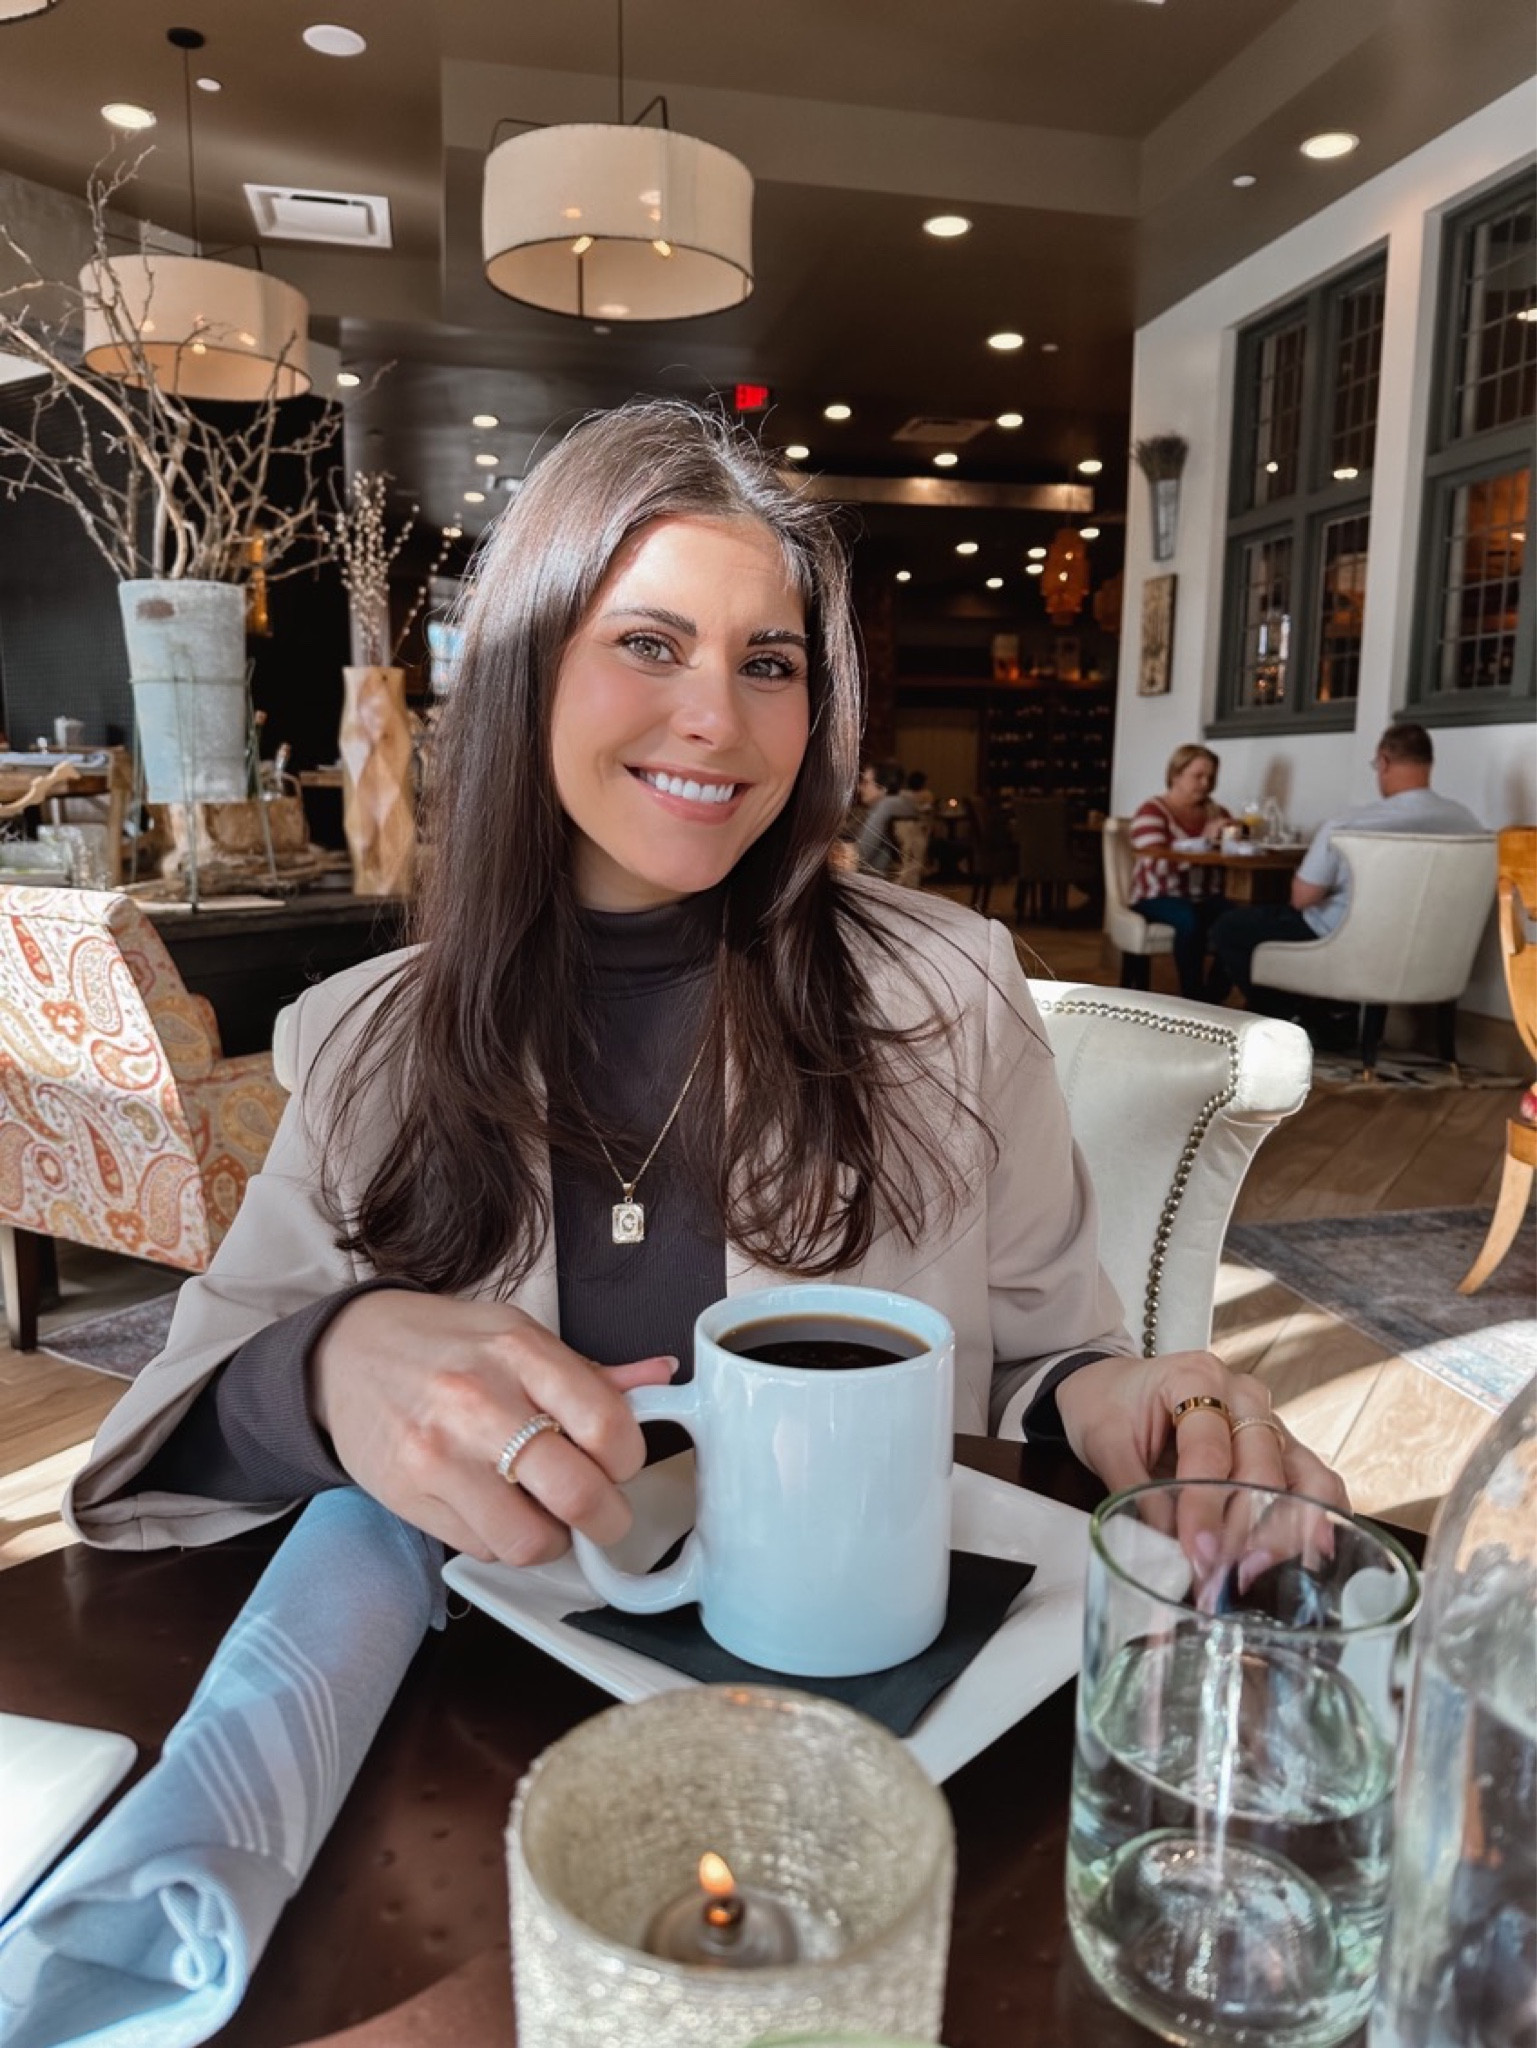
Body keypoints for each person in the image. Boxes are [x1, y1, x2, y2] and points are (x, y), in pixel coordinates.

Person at [66, 401, 1343, 1569]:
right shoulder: (365, 1034)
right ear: (526, 670)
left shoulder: (947, 987)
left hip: (856, 1653)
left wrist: (1133, 1396)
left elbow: (1048, 1349)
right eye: (648, 643)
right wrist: (326, 1364)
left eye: (768, 663)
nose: (718, 720)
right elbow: (171, 1435)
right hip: (492, 1695)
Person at [1210, 722, 1484, 1013]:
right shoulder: (1467, 823)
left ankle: (1290, 1017)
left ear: (1384, 762)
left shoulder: (1349, 825)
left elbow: (1302, 898)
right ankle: (1325, 1016)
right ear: (1429, 764)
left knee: (1229, 927)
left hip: (1347, 945)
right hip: (1433, 953)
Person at [1127, 744, 1232, 1001]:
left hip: (1204, 897)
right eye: (1198, 776)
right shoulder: (1151, 811)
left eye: (1211, 777)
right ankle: (1192, 997)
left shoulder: (1217, 812)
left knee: (1241, 921)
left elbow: (1230, 858)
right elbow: (1157, 865)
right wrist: (1205, 840)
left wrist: (1236, 839)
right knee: (1189, 918)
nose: (1206, 784)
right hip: (1156, 896)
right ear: (1176, 775)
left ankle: (1213, 998)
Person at [854, 759, 919, 875]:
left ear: (883, 788)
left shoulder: (886, 806)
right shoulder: (884, 809)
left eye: (865, 783)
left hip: (872, 881)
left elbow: (859, 857)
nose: (859, 788)